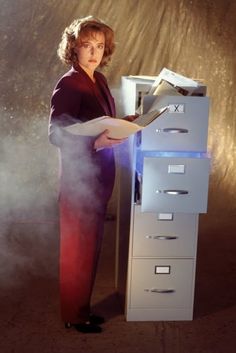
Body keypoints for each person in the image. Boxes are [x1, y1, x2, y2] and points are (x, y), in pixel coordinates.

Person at [49, 16, 133, 334]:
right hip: (78, 183)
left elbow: (101, 121)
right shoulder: (69, 83)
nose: (94, 52)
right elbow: (56, 134)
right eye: (87, 46)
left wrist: (125, 122)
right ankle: (74, 315)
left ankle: (82, 309)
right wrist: (96, 141)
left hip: (98, 181)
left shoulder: (97, 80)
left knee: (91, 248)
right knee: (77, 251)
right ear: (74, 48)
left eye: (99, 46)